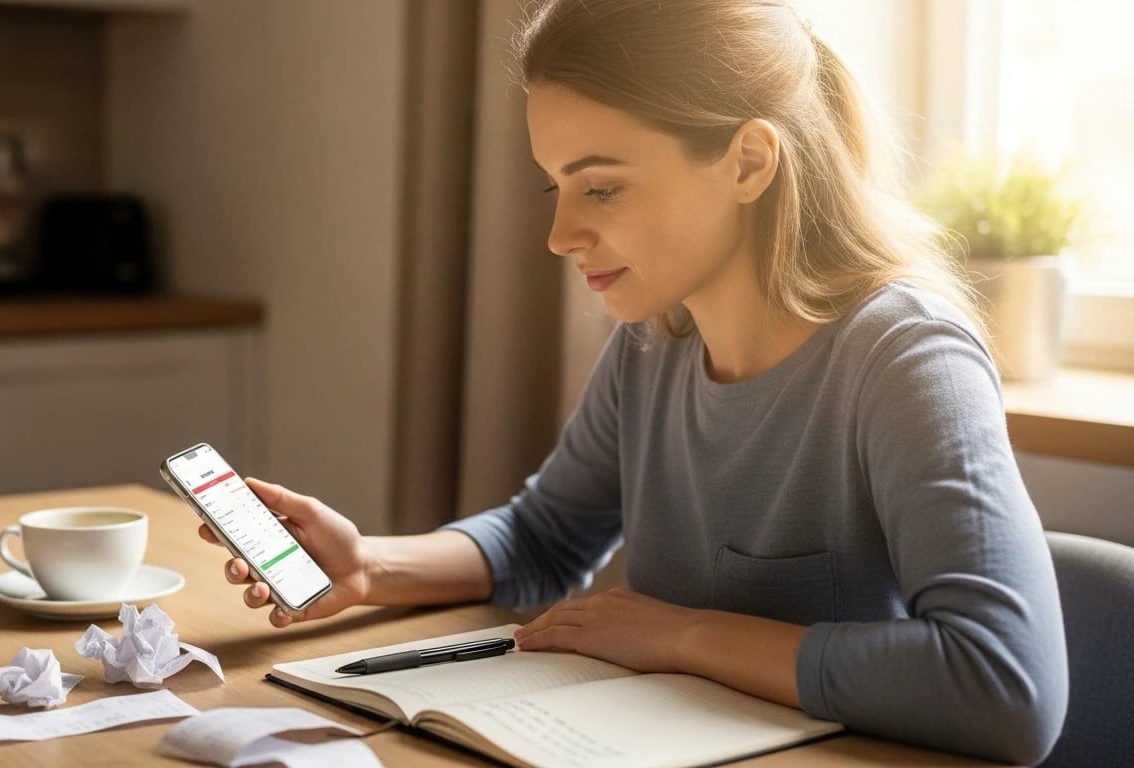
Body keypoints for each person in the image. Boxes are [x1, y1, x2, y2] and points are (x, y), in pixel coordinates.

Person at [201, 1, 1068, 763]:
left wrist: (682, 635)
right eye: (556, 187)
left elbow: (1006, 687)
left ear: (748, 163)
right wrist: (372, 567)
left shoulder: (907, 361)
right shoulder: (655, 342)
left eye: (602, 188)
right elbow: (544, 538)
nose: (559, 234)